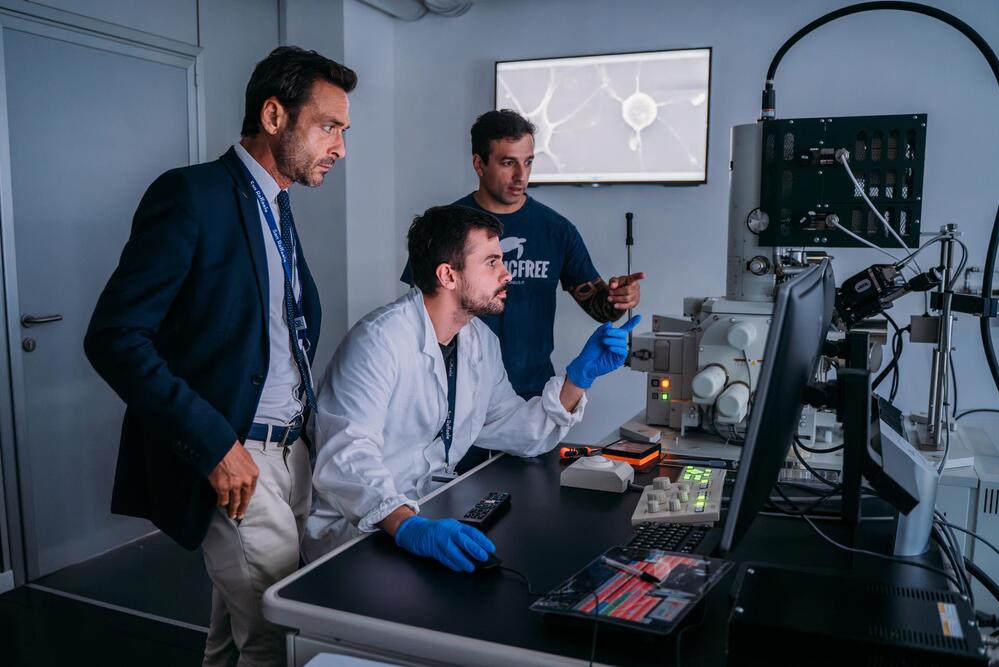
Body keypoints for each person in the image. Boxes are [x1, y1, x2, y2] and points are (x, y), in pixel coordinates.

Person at [84, 47, 356, 667]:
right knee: (280, 640)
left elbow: (275, 338)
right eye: (328, 126)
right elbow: (114, 336)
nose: (339, 146)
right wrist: (213, 444)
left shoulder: (279, 206)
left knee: (234, 638)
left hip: (293, 455)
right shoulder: (190, 195)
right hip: (236, 457)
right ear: (273, 115)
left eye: (342, 131)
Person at [305, 204, 639, 568]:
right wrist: (407, 526)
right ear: (448, 275)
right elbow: (346, 457)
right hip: (363, 532)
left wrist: (577, 379)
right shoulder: (378, 341)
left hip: (429, 514)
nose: (507, 274)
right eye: (492, 262)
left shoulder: (477, 340)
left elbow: (514, 428)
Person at [402, 109, 645, 400]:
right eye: (508, 163)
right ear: (479, 164)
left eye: (527, 162)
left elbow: (600, 309)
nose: (521, 176)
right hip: (453, 392)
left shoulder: (556, 230)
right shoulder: (444, 228)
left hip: (532, 393)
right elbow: (415, 314)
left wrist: (619, 300)